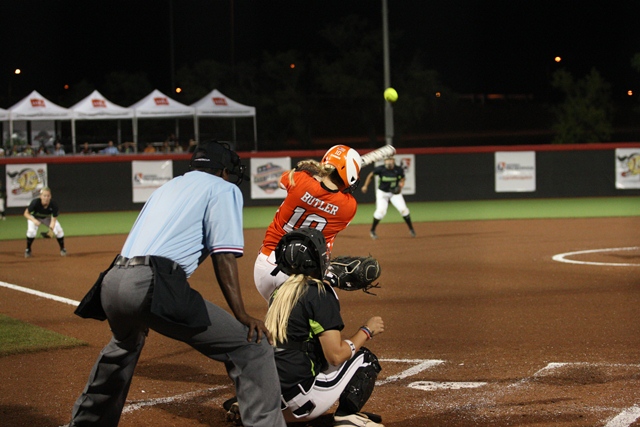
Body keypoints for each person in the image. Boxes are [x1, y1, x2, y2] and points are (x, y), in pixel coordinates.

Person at [66, 141, 286, 427]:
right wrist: (242, 315)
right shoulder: (223, 188)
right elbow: (224, 256)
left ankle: (84, 424)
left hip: (112, 279)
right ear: (222, 170)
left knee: (124, 345)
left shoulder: (166, 188)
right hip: (149, 282)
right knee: (253, 347)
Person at [232, 228, 385, 426]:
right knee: (365, 359)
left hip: (266, 401)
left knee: (297, 349)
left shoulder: (279, 293)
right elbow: (336, 355)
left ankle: (248, 405)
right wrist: (366, 331)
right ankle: (346, 416)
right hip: (299, 406)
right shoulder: (319, 294)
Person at [254, 144, 362, 301]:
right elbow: (328, 197)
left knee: (277, 313)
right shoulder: (349, 206)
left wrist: (312, 176)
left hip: (266, 265)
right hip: (301, 274)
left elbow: (281, 181)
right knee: (326, 309)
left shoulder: (300, 180)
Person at [361, 156, 416, 239]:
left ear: (393, 161)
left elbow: (402, 179)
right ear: (384, 161)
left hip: (394, 193)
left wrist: (401, 185)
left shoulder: (398, 169)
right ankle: (372, 230)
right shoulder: (380, 169)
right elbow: (371, 175)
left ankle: (411, 229)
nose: (389, 161)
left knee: (404, 210)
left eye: (390, 159)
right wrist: (365, 185)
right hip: (382, 193)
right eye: (387, 160)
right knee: (381, 212)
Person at [23, 187, 67, 257]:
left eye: (48, 196)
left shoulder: (53, 204)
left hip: (47, 218)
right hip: (35, 217)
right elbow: (26, 213)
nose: (46, 198)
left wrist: (51, 230)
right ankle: (28, 249)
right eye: (44, 196)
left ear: (50, 196)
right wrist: (34, 220)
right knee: (31, 232)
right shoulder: (35, 202)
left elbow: (53, 220)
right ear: (40, 196)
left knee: (59, 230)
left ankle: (63, 249)